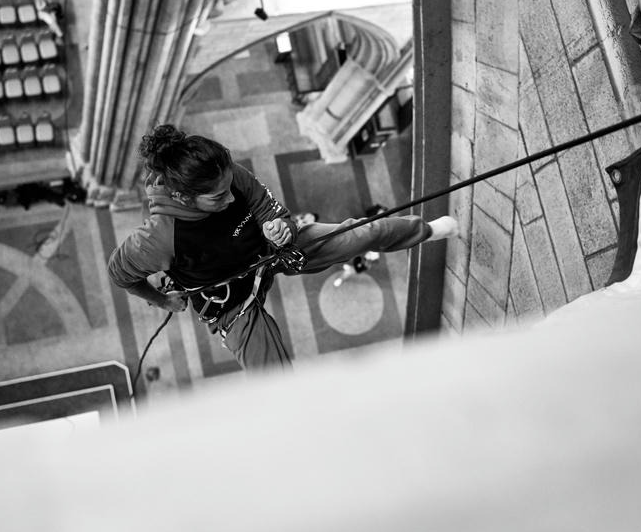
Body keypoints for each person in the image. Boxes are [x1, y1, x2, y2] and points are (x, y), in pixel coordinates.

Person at [107, 124, 459, 370]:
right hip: (231, 301)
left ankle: (426, 231)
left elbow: (267, 207)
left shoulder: (226, 173)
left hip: (271, 252)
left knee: (364, 232)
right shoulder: (156, 238)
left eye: (231, 185)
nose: (231, 198)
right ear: (184, 196)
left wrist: (280, 226)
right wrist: (161, 299)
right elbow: (118, 274)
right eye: (217, 197)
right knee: (272, 377)